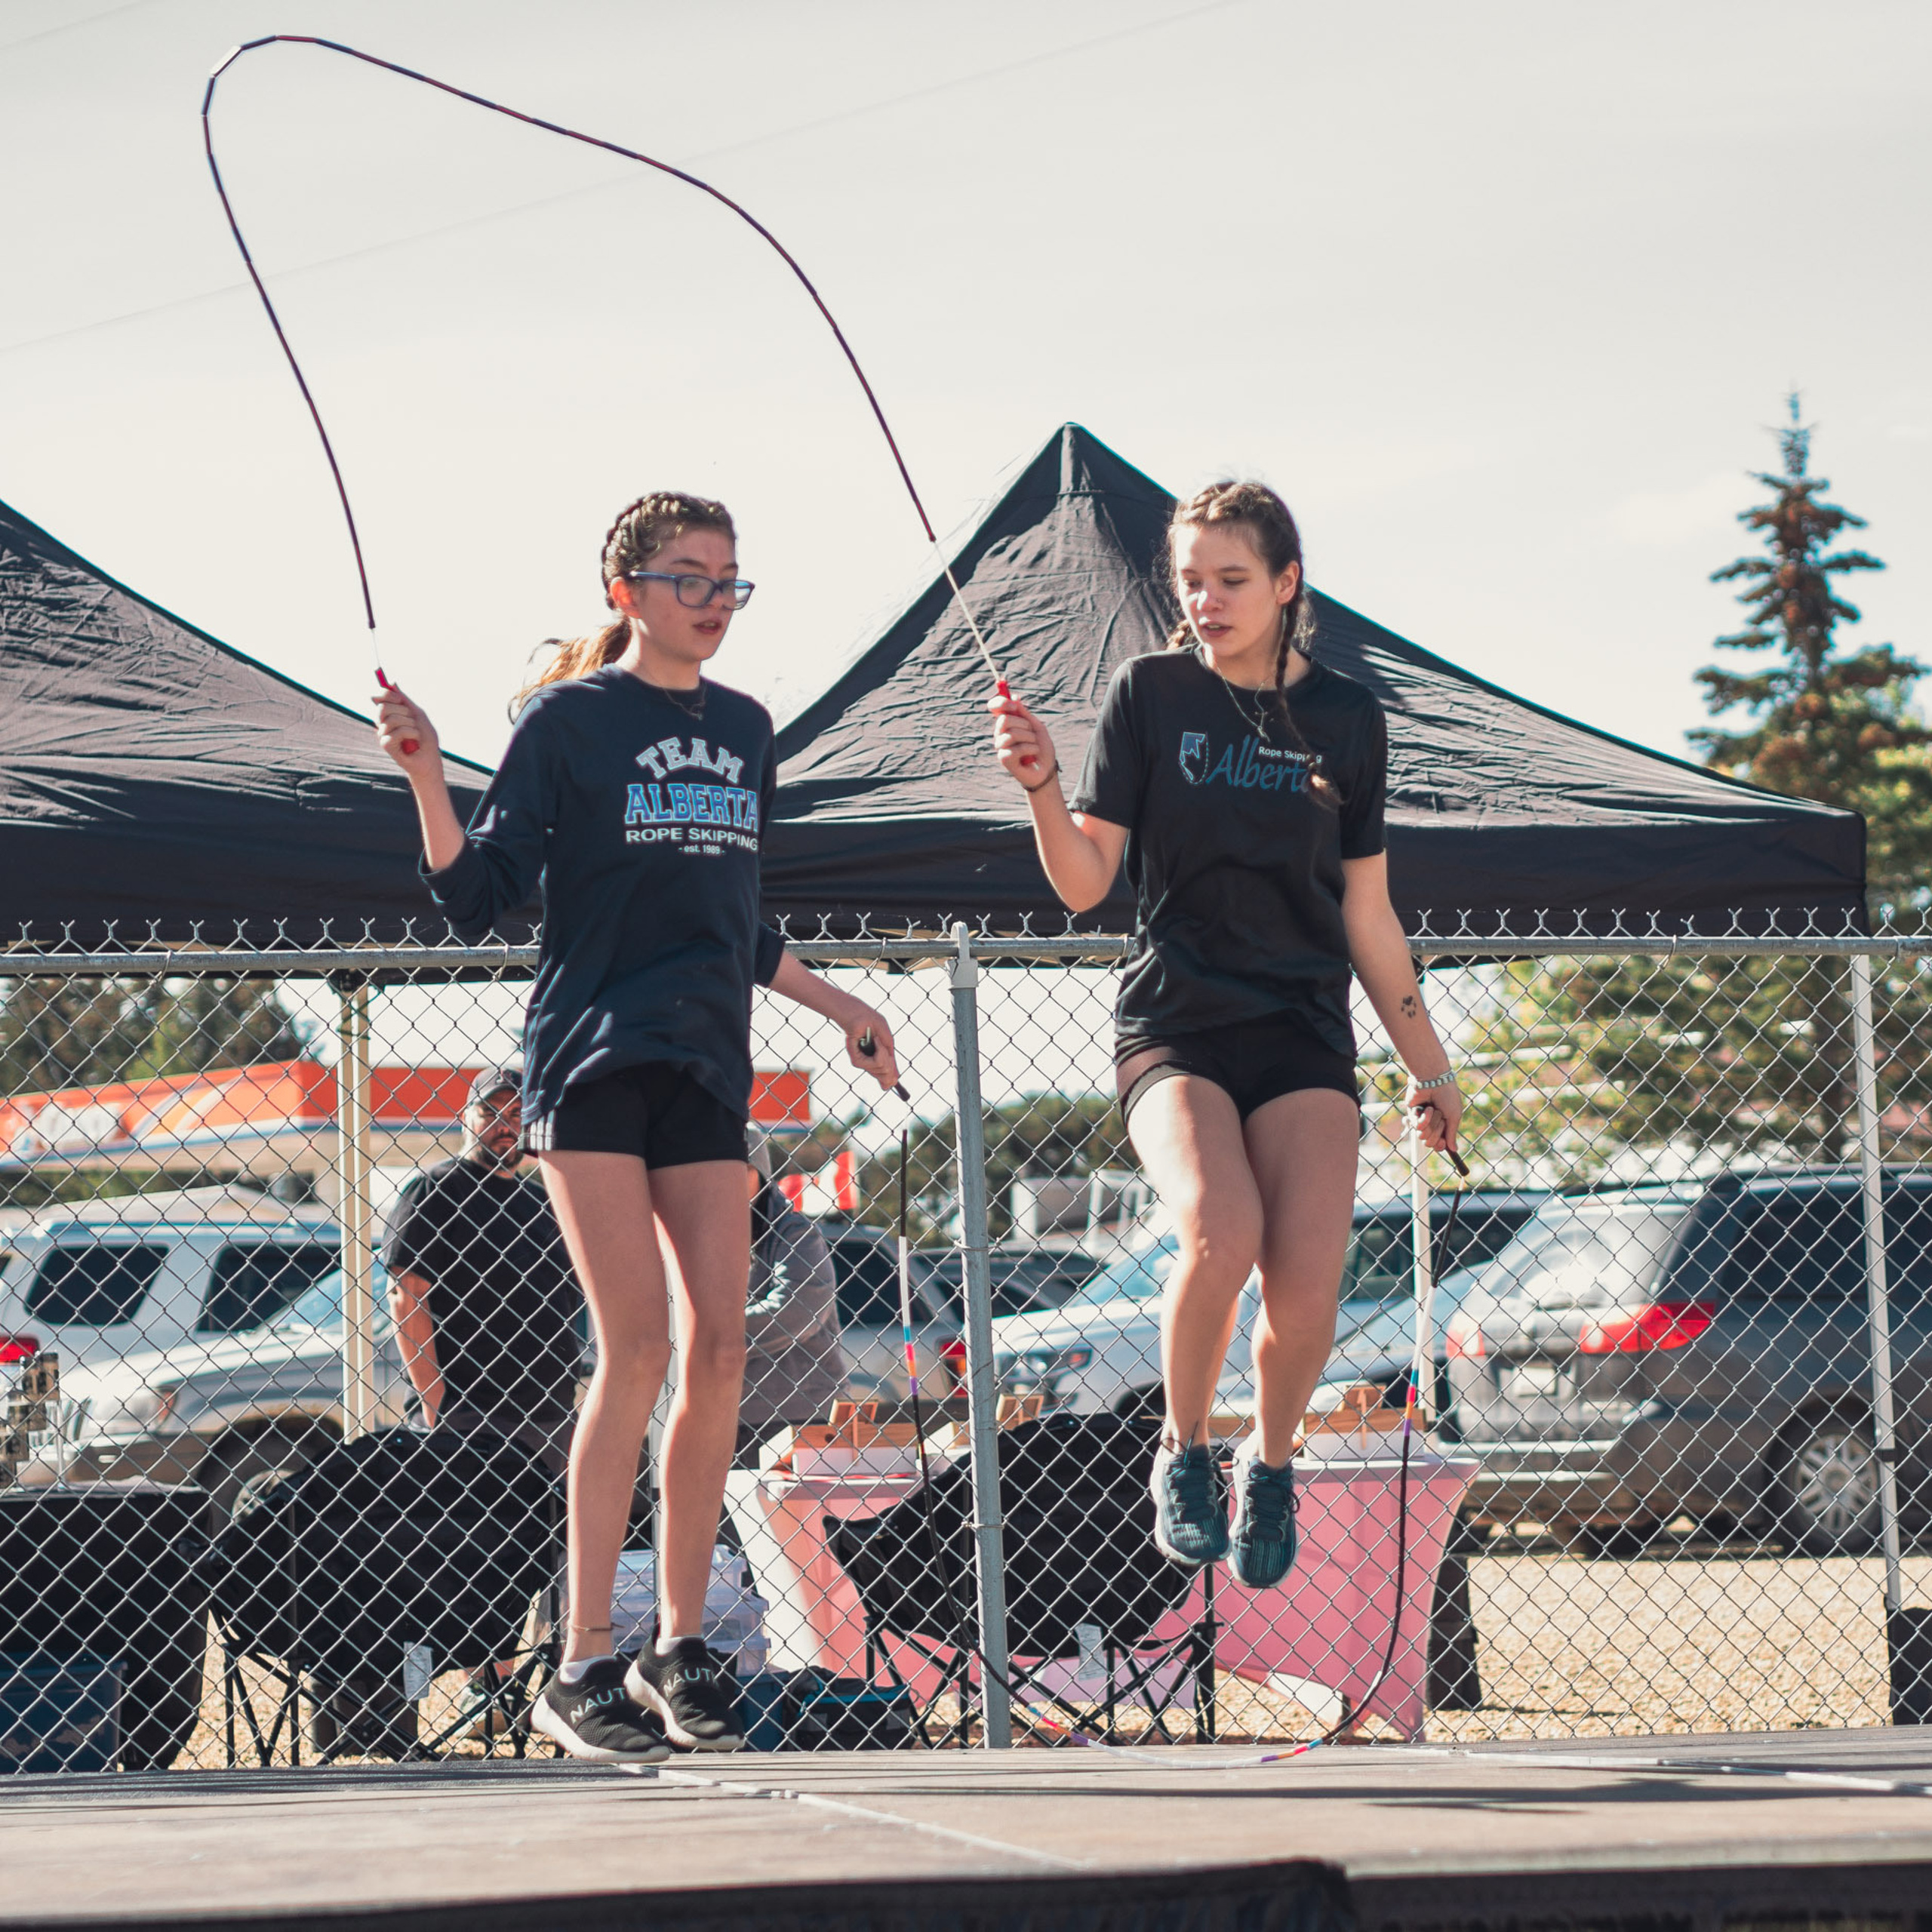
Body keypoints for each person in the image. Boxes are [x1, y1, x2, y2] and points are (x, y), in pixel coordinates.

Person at [374, 491, 900, 1763]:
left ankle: (678, 1645)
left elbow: (737, 917)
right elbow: (477, 896)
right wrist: (426, 773)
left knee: (722, 1340)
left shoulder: (745, 729)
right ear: (626, 593)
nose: (714, 601)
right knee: (639, 1341)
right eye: (689, 579)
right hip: (590, 1065)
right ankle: (581, 1662)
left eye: (730, 581)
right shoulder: (569, 724)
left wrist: (840, 1008)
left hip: (705, 1067)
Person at [987, 480, 1461, 1592]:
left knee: (1309, 1289)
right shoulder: (1148, 694)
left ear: (1287, 584)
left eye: (1231, 580)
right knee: (1219, 1228)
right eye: (1189, 580)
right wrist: (1044, 787)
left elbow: (1367, 912)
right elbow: (1084, 882)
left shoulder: (1348, 716)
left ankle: (1272, 1459)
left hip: (1303, 1031)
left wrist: (1429, 1066)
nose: (1204, 599)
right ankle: (1182, 1448)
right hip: (1178, 1026)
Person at [383, 1065, 588, 1738]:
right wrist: (435, 1399)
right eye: (493, 1110)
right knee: (473, 1552)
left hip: (549, 1406)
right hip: (469, 1409)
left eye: (519, 1112)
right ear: (467, 1116)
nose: (507, 1124)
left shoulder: (547, 1198)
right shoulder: (435, 1191)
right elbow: (407, 1297)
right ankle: (484, 1692)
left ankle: (541, 1688)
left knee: (545, 1551)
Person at [735, 1131, 845, 1467]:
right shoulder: (694, 1237)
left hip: (799, 1413)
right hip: (726, 1412)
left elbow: (796, 1310)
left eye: (739, 1168)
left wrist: (710, 1334)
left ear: (762, 1174)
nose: (723, 1181)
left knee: (802, 1517)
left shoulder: (794, 1232)